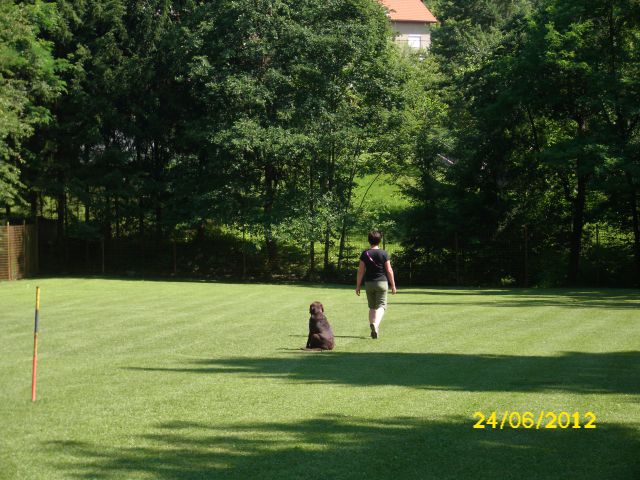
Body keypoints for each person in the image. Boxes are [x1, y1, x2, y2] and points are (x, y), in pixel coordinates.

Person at [355, 231, 397, 339]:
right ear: (380, 240)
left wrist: (358, 286)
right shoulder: (384, 253)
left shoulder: (365, 254)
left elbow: (360, 271)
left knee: (372, 307)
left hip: (369, 283)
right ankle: (375, 324)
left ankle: (374, 330)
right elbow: (389, 270)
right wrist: (393, 285)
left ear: (369, 240)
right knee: (382, 306)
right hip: (382, 283)